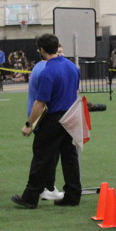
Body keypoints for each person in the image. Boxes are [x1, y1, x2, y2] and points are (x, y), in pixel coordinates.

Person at [12, 33, 82, 209]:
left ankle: (30, 196)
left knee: (41, 156)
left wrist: (29, 125)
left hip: (53, 118)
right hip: (71, 116)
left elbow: (40, 103)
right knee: (69, 156)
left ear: (41, 50)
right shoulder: (72, 67)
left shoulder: (47, 72)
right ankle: (73, 195)